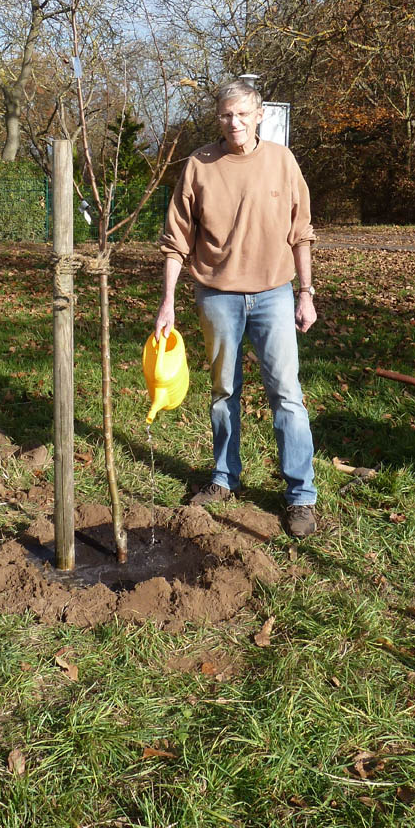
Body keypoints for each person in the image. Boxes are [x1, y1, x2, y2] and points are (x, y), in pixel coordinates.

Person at [153, 78, 319, 538]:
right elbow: (176, 241)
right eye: (227, 115)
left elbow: (301, 232)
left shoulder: (282, 162)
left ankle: (300, 494)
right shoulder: (199, 165)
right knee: (224, 392)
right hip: (217, 296)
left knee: (286, 393)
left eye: (243, 114)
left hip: (274, 295)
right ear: (218, 118)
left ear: (260, 114)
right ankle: (224, 479)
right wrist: (167, 302)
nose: (235, 123)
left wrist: (305, 293)